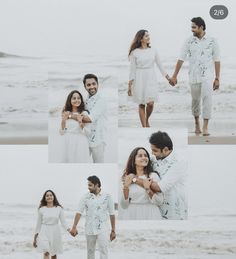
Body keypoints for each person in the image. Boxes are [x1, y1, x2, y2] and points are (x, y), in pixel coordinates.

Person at [169, 17, 221, 136]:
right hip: (193, 76)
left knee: (207, 99)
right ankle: (197, 123)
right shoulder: (188, 41)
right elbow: (181, 58)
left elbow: (217, 60)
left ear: (201, 27)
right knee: (195, 101)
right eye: (191, 27)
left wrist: (217, 78)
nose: (191, 29)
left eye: (194, 27)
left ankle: (206, 126)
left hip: (207, 76)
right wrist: (174, 76)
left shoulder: (212, 41)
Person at [128, 29, 172, 127]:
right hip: (139, 78)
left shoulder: (153, 50)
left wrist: (169, 78)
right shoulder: (134, 52)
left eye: (148, 35)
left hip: (151, 78)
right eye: (146, 36)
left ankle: (146, 119)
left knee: (151, 103)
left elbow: (160, 66)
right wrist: (129, 86)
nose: (149, 37)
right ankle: (144, 127)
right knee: (141, 104)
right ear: (141, 38)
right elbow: (132, 70)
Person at [70, 176, 116, 259]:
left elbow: (112, 214)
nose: (88, 187)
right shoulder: (85, 197)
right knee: (90, 251)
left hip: (103, 228)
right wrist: (74, 227)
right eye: (88, 185)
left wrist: (113, 230)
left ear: (96, 185)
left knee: (104, 251)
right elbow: (79, 212)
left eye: (90, 185)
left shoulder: (107, 197)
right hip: (89, 228)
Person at [148, 131, 187, 220]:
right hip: (157, 211)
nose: (152, 153)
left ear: (165, 149)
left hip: (174, 212)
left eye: (155, 150)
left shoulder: (179, 162)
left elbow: (160, 187)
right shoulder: (154, 159)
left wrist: (137, 180)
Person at [69, 74, 107, 163]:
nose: (92, 87)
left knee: (99, 165)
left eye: (94, 84)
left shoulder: (101, 100)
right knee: (82, 162)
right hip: (85, 138)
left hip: (98, 140)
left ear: (98, 84)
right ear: (85, 86)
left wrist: (70, 116)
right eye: (88, 85)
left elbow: (89, 119)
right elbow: (79, 112)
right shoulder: (85, 100)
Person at [119, 147, 164, 220]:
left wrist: (148, 189)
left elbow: (159, 201)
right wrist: (126, 187)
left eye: (146, 156)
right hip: (132, 214)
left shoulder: (153, 176)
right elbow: (124, 205)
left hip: (151, 213)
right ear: (133, 160)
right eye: (140, 156)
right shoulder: (127, 177)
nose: (144, 158)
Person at [33, 190, 70, 259]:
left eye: (51, 195)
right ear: (45, 198)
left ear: (53, 197)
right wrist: (35, 238)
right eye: (47, 195)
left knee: (54, 254)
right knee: (46, 251)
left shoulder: (59, 208)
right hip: (44, 231)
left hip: (55, 232)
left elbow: (63, 222)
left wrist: (69, 230)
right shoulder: (41, 209)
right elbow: (38, 225)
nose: (49, 197)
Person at [60, 90, 90, 163]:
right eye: (74, 98)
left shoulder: (84, 113)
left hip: (80, 141)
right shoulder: (66, 112)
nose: (76, 100)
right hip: (68, 141)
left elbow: (88, 133)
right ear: (70, 100)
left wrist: (80, 122)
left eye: (78, 98)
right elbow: (62, 132)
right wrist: (63, 120)